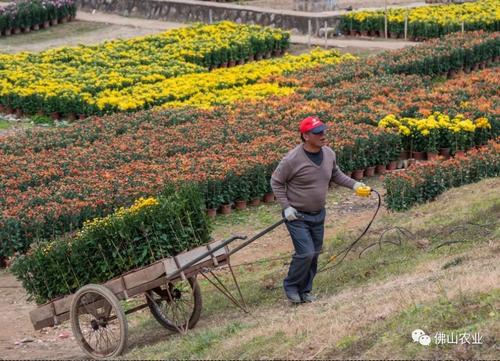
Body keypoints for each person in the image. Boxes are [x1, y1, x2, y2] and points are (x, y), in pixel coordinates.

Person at [271, 116, 367, 304]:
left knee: (314, 253)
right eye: (318, 133)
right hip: (296, 216)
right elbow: (276, 181)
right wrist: (286, 207)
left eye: (323, 131)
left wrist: (355, 185)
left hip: (318, 214)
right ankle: (291, 286)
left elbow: (335, 174)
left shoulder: (329, 153)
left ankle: (305, 291)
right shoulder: (292, 159)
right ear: (306, 136)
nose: (323, 135)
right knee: (306, 253)